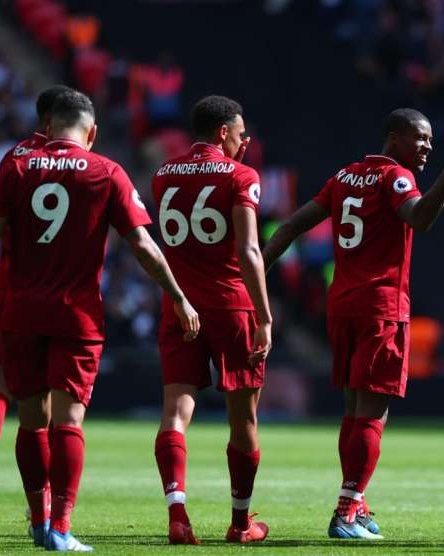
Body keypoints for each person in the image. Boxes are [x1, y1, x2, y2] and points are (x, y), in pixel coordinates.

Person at [0, 90, 199, 552]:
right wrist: (179, 296)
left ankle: (40, 522)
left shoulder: (17, 165)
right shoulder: (106, 171)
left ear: (48, 127)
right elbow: (143, 246)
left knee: (30, 421)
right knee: (68, 422)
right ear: (92, 132)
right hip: (76, 314)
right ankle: (62, 527)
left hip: (21, 311)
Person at [263, 109, 444, 539]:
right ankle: (346, 510)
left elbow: (293, 226)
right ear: (394, 139)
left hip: (342, 305)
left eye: (432, 141)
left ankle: (357, 502)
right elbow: (420, 218)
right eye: (421, 138)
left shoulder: (345, 177)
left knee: (355, 411)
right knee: (373, 413)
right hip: (381, 307)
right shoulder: (397, 179)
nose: (429, 147)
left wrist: (256, 274)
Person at [150, 95, 272, 545]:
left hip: (179, 304)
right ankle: (241, 525)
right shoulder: (242, 176)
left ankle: (177, 515)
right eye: (241, 134)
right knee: (243, 419)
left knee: (176, 413)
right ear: (224, 132)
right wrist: (264, 315)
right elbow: (248, 250)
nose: (245, 142)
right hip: (230, 305)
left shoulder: (163, 175)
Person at [0, 84, 73, 525]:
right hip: (64, 291)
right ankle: (44, 513)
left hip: (14, 285)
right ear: (55, 121)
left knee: (3, 386)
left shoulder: (15, 158)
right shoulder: (84, 162)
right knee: (52, 404)